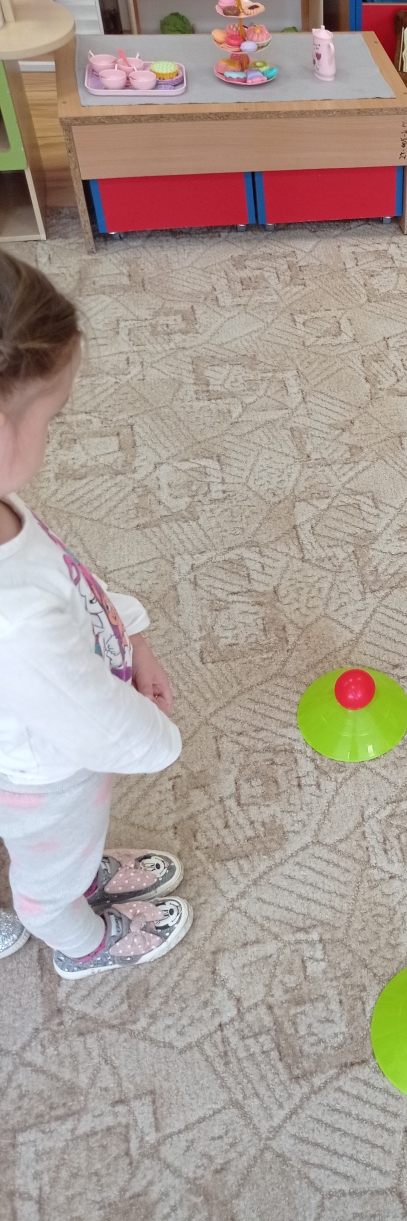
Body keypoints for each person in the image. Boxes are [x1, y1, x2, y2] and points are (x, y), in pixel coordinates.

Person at [0, 251, 191, 977]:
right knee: (46, 882)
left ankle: (71, 866)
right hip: (42, 775)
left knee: (55, 850)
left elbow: (61, 572)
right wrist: (159, 739)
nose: (53, 434)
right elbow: (93, 722)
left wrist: (130, 627)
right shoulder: (14, 621)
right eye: (51, 417)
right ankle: (81, 943)